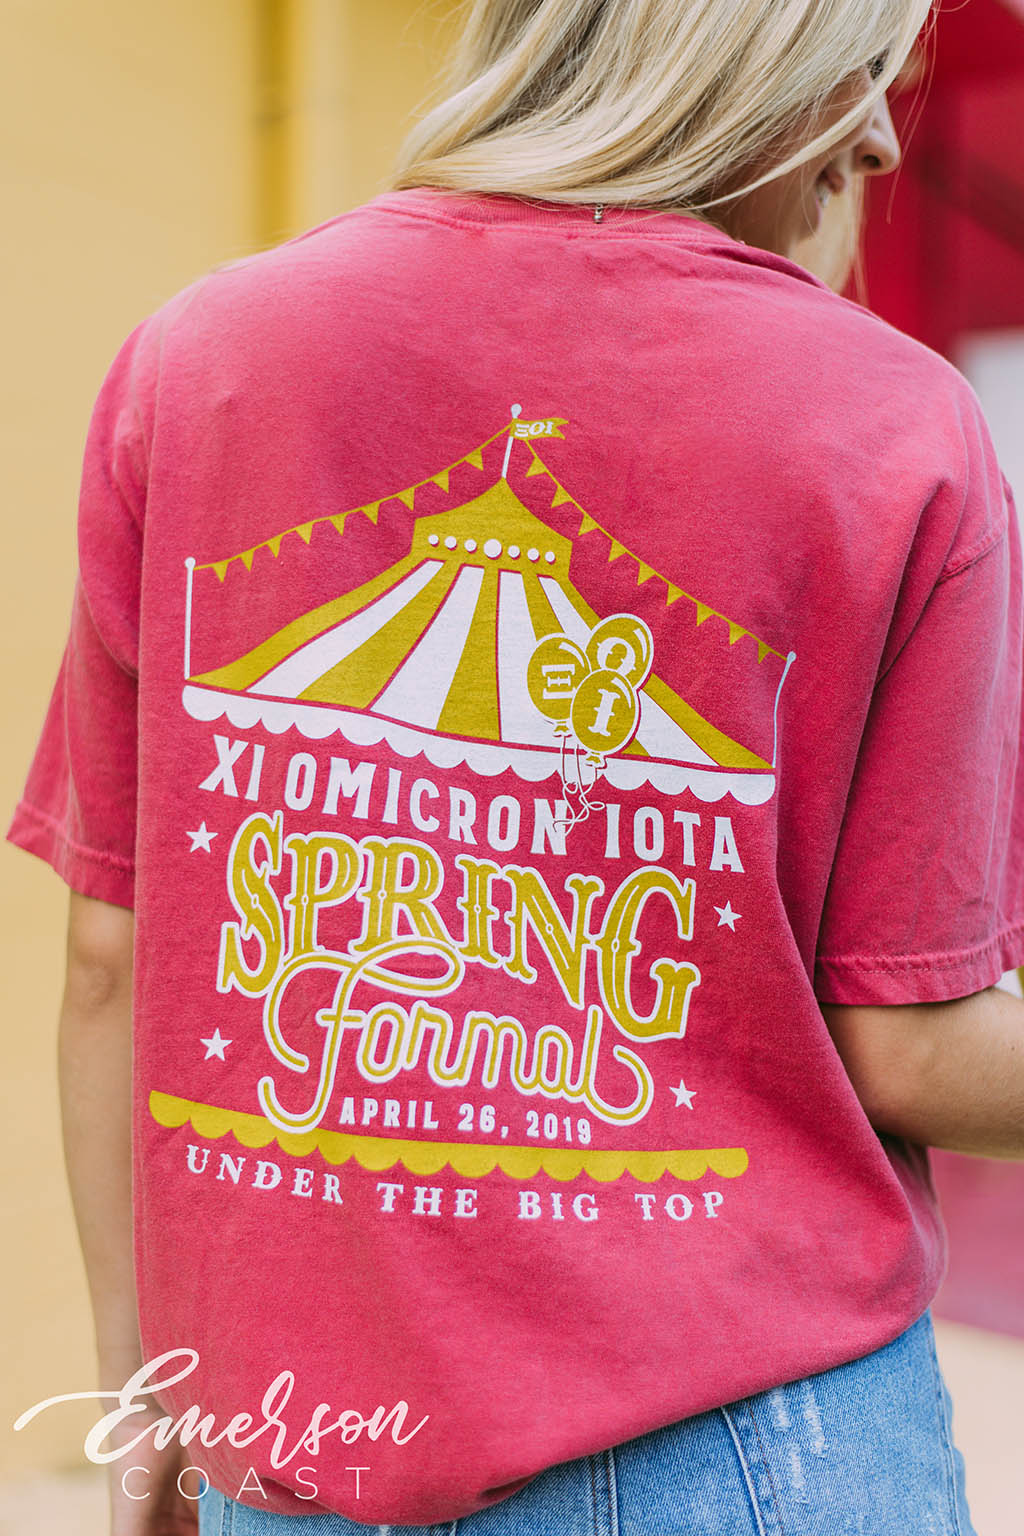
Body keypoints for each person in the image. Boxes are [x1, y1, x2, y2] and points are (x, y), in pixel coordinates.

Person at [9, 1, 1024, 1532]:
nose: (881, 139)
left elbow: (112, 954)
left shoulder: (202, 355)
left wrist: (146, 1394)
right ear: (738, 51)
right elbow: (915, 1045)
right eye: (862, 70)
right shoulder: (893, 424)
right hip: (747, 1450)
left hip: (298, 1445)